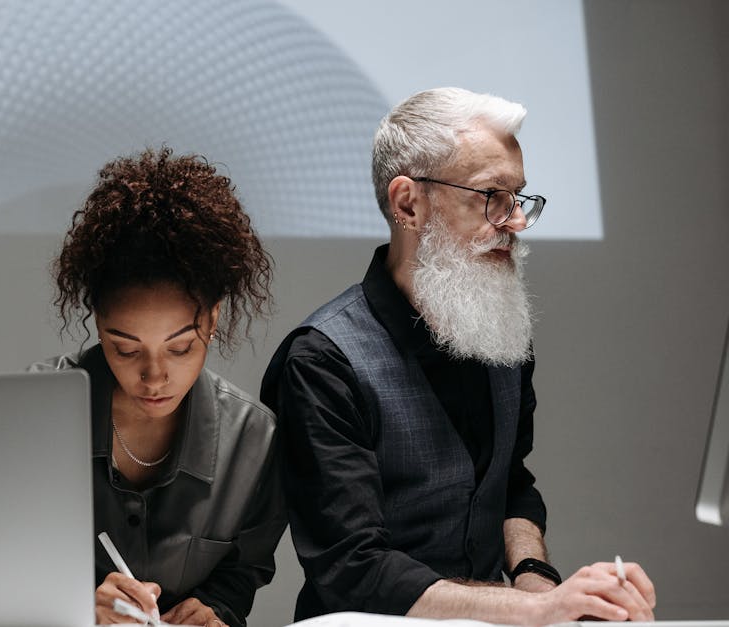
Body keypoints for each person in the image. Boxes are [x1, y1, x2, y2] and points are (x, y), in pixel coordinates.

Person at [261, 88, 657, 625]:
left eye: (519, 197)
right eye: (492, 195)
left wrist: (538, 579)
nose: (514, 221)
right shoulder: (323, 360)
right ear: (407, 203)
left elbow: (509, 483)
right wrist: (535, 608)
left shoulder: (498, 327)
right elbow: (355, 570)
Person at [31, 147, 286, 627]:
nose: (153, 377)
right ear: (98, 322)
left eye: (179, 348)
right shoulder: (33, 411)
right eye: (125, 349)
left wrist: (217, 610)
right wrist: (80, 606)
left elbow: (244, 570)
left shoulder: (253, 439)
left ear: (212, 320)